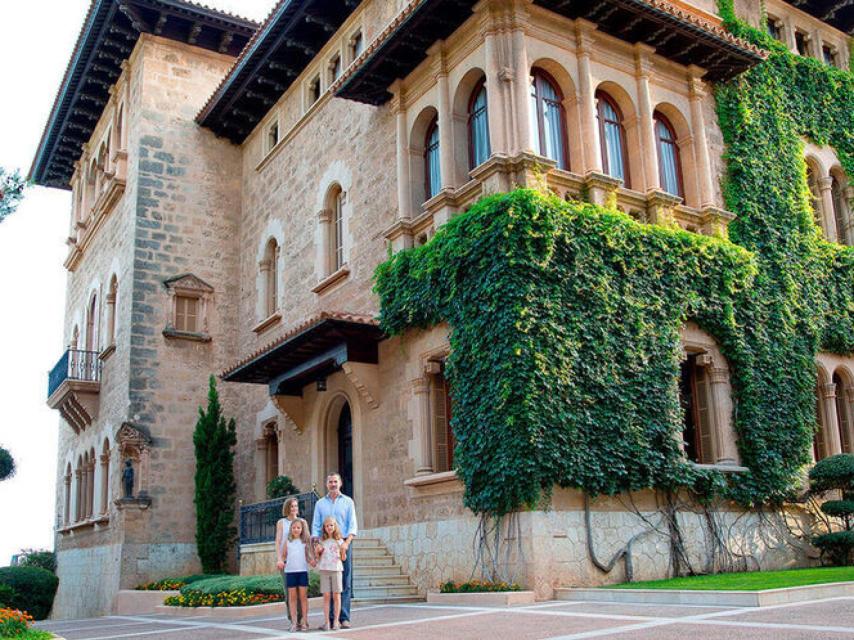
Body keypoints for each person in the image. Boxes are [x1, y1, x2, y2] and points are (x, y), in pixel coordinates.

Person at [312, 472, 357, 629]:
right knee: (328, 584)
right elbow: (316, 526)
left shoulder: (348, 502)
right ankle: (330, 619)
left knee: (345, 581)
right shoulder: (320, 504)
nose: (333, 484)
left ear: (340, 483)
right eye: (330, 482)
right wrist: (317, 544)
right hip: (325, 545)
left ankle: (344, 618)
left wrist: (346, 544)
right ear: (326, 484)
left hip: (342, 544)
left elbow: (352, 525)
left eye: (335, 481)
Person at [281, 517, 315, 632]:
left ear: (302, 529)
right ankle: (294, 623)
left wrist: (312, 561)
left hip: (302, 572)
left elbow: (308, 556)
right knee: (292, 598)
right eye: (294, 527)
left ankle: (304, 621)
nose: (296, 529)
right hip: (290, 572)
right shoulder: (287, 541)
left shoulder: (304, 542)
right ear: (291, 529)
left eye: (298, 528)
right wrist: (282, 562)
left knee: (303, 598)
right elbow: (283, 555)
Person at [315, 515, 346, 630]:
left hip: (336, 570)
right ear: (324, 527)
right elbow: (318, 557)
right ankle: (327, 622)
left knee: (337, 595)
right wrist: (317, 551)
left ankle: (336, 621)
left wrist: (343, 551)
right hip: (324, 570)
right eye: (327, 526)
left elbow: (343, 558)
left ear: (335, 526)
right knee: (326, 596)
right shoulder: (321, 541)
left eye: (331, 525)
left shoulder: (340, 540)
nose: (329, 527)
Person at [275, 497, 300, 622]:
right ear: (287, 508)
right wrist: (279, 559)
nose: (294, 508)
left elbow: (306, 540)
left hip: (299, 561)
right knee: (289, 591)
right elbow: (278, 541)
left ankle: (300, 619)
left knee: (300, 592)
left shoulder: (301, 522)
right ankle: (293, 619)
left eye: (296, 506)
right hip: (285, 561)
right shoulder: (281, 522)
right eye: (291, 506)